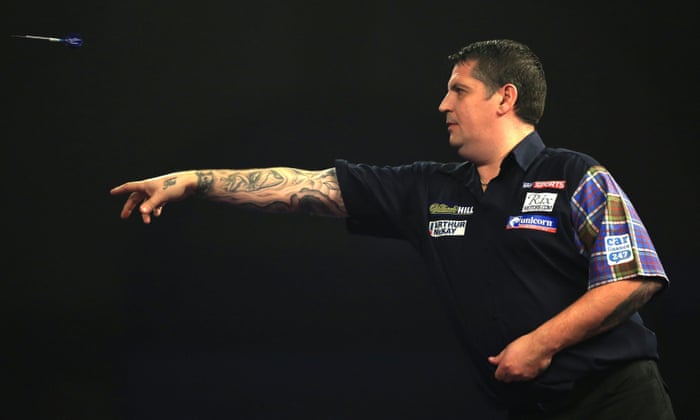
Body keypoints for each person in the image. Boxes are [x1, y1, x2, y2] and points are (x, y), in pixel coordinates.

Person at [110, 39, 676, 419]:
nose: (442, 104)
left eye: (458, 90)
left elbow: (636, 277)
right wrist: (194, 181)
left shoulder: (575, 174)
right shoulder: (428, 189)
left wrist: (540, 344)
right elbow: (309, 187)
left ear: (506, 97)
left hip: (617, 399)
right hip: (524, 407)